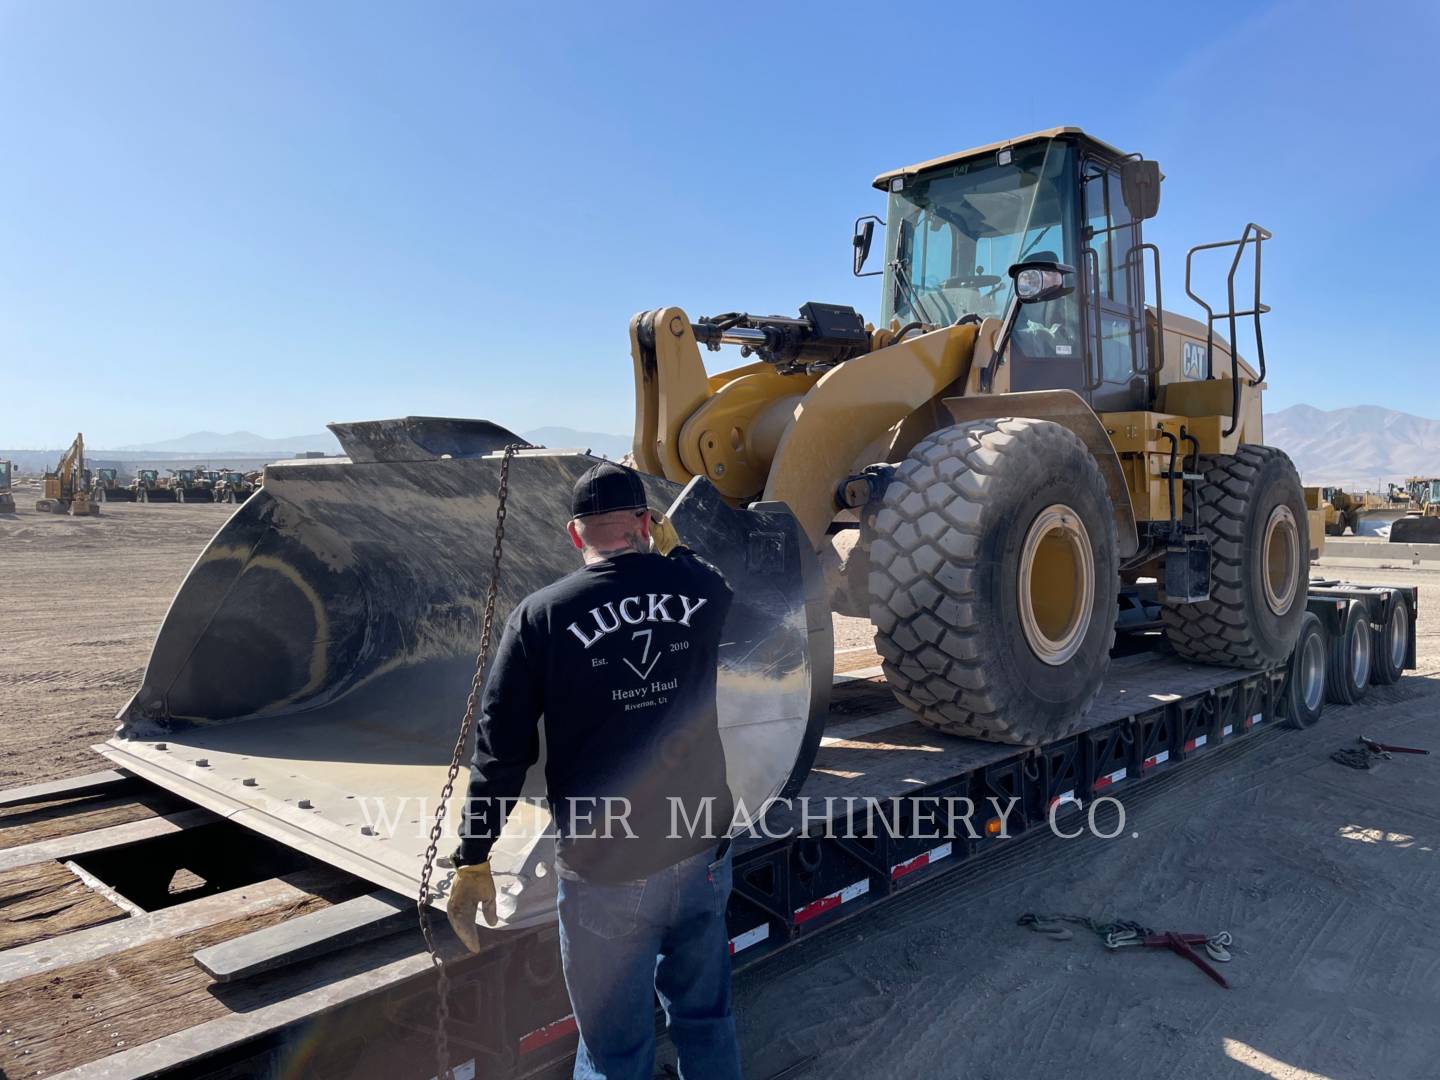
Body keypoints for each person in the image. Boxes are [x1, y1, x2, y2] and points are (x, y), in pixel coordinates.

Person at [446, 459, 740, 1080]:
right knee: (705, 1018)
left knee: (614, 1051)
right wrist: (676, 548)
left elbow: (502, 750)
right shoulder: (698, 592)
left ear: (574, 534)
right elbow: (718, 584)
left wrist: (474, 853)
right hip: (700, 854)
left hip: (606, 869)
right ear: (646, 523)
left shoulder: (541, 615)